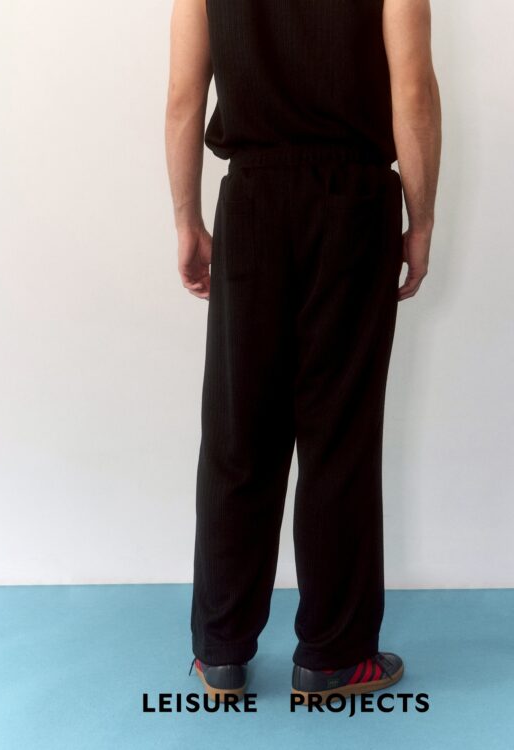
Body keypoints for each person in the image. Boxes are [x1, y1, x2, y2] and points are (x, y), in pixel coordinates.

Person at [165, 0, 441, 704]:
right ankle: (333, 656)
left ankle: (220, 652)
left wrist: (187, 219)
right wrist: (421, 220)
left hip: (252, 201)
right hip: (354, 203)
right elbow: (412, 87)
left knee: (238, 433)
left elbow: (183, 96)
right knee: (339, 437)